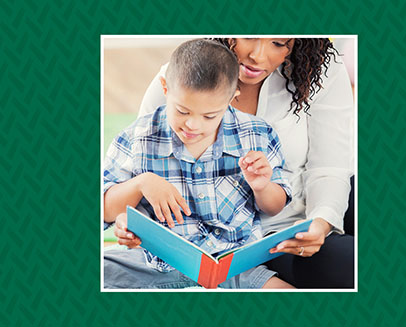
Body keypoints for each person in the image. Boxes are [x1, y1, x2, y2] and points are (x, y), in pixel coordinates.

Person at [134, 38, 355, 288]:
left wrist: (321, 222)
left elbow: (329, 168)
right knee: (350, 265)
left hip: (307, 206)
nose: (258, 56)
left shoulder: (321, 70)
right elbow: (141, 174)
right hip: (266, 236)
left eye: (278, 43)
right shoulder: (179, 81)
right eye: (249, 37)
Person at [103, 39, 294, 289]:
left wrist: (262, 186)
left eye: (209, 116)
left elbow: (275, 206)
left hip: (232, 267)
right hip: (149, 264)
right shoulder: (138, 136)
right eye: (182, 111)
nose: (193, 125)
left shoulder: (256, 134)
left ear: (231, 99)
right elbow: (105, 209)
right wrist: (141, 184)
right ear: (165, 88)